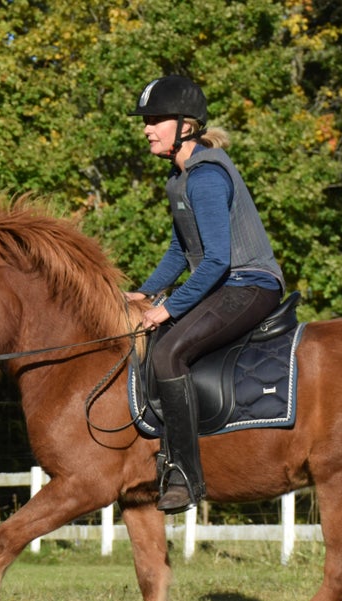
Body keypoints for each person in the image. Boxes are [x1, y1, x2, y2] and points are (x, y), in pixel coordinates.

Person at [124, 75, 285, 513]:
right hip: (225, 284)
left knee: (167, 354)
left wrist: (166, 310)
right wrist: (146, 292)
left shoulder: (207, 177)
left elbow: (215, 260)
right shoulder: (179, 180)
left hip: (250, 284)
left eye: (155, 120)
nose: (146, 128)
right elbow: (182, 249)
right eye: (146, 121)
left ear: (187, 126)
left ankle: (184, 476)